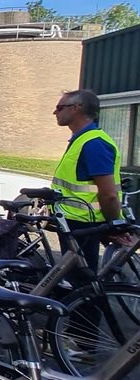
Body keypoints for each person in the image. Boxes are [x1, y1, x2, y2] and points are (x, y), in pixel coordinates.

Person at [51, 89, 122, 273]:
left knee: (82, 287)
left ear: (76, 108)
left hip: (84, 225)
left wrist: (115, 226)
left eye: (60, 107)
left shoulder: (93, 144)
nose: (55, 112)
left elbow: (108, 194)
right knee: (73, 282)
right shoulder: (82, 140)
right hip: (74, 222)